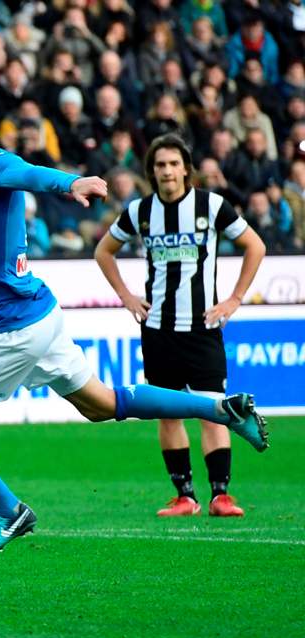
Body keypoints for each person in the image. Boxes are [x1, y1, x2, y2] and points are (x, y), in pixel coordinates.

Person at [0, 75, 270, 560]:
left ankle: (8, 510)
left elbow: (31, 173)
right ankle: (219, 408)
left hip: (11, 331)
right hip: (40, 317)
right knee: (100, 403)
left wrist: (71, 183)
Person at [94, 134, 267, 518]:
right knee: (167, 412)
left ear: (185, 169)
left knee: (212, 408)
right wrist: (125, 294)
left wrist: (235, 298)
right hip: (157, 328)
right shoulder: (140, 211)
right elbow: (103, 250)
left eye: (173, 164)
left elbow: (255, 245)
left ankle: (221, 495)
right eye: (160, 165)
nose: (167, 171)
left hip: (202, 326)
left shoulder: (212, 206)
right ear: (151, 172)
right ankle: (185, 496)